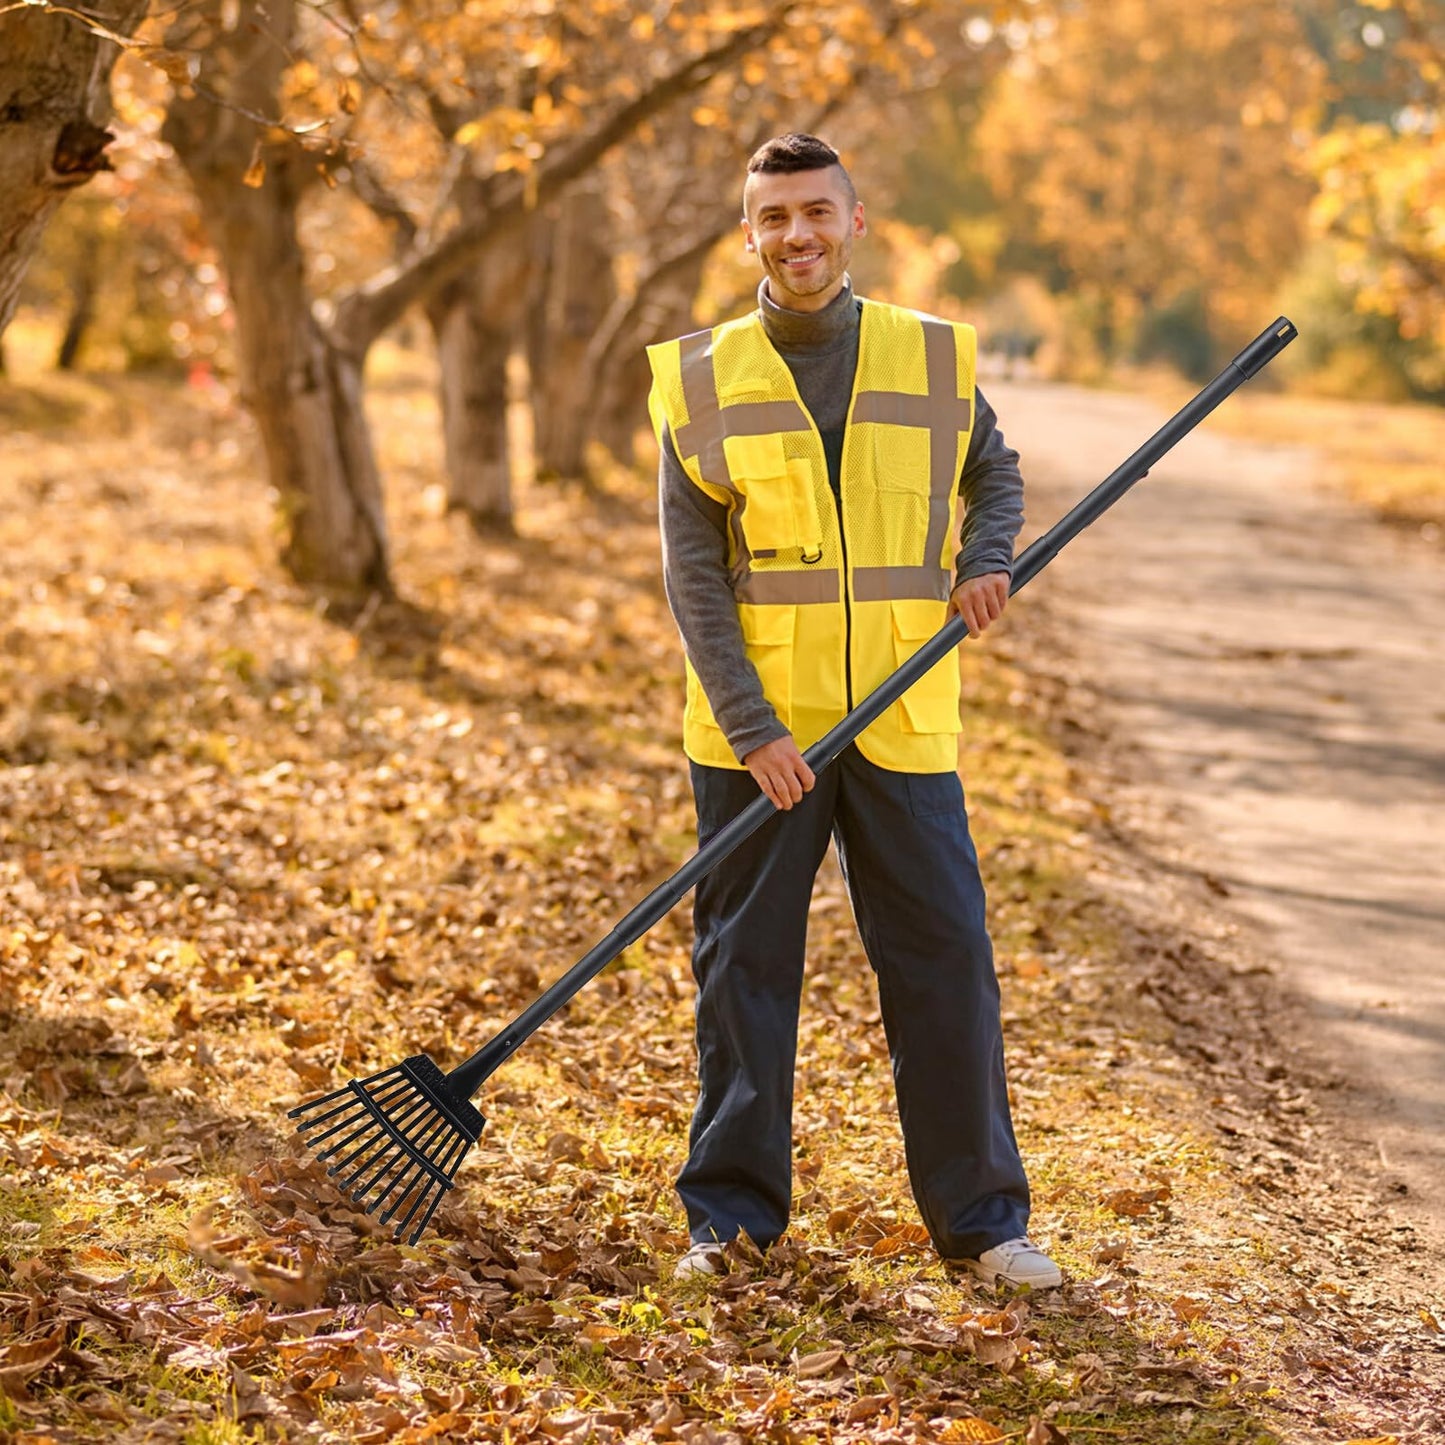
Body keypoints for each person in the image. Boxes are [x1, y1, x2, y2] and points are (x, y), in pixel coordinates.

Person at [645, 133, 1060, 1290]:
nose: (798, 236)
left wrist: (986, 559)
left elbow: (995, 470)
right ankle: (727, 1219)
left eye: (816, 212)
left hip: (898, 713)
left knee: (944, 961)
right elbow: (692, 573)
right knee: (743, 972)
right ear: (749, 237)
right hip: (758, 734)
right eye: (774, 218)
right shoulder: (700, 376)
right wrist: (753, 728)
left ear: (856, 221)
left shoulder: (926, 359)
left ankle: (983, 1221)